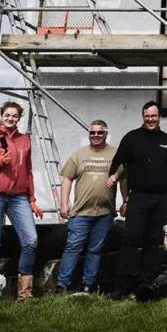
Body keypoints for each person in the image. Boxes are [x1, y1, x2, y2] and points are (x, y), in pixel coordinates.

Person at [106, 101, 167, 300]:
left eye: (154, 116)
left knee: (152, 241)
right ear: (143, 117)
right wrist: (113, 175)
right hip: (138, 197)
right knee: (131, 239)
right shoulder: (132, 138)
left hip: (161, 198)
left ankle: (146, 284)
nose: (150, 119)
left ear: (160, 118)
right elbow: (117, 160)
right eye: (147, 116)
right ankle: (120, 286)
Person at [0, 101, 44, 302]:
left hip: (19, 197)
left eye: (14, 116)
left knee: (31, 240)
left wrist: (32, 199)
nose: (10, 118)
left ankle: (24, 292)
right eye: (7, 115)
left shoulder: (24, 141)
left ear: (19, 118)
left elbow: (28, 171)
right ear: (2, 115)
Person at [55, 119, 128, 295]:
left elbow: (124, 179)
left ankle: (88, 284)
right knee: (73, 248)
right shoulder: (78, 155)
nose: (96, 135)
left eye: (99, 132)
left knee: (95, 250)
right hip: (81, 212)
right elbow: (66, 180)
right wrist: (64, 204)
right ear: (89, 135)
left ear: (105, 134)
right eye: (92, 132)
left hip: (105, 212)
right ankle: (61, 285)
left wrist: (126, 201)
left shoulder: (116, 154)